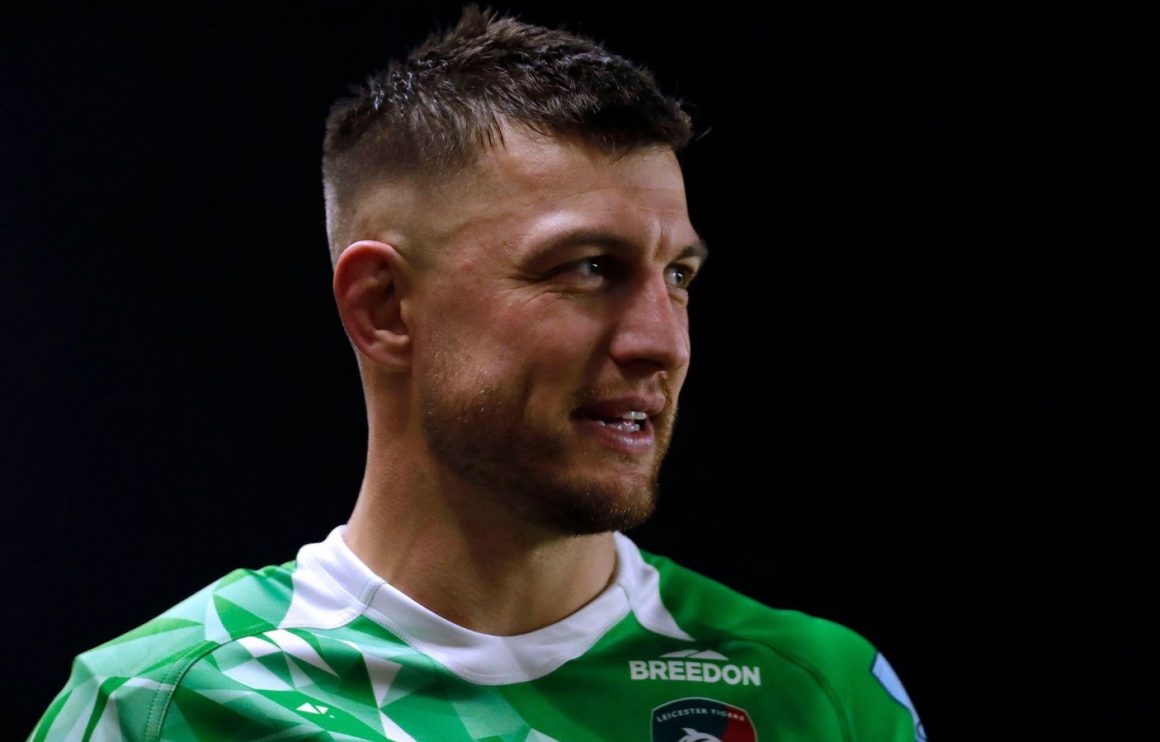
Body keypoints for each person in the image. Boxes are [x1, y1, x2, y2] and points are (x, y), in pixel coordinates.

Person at [29, 6, 925, 740]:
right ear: (385, 306)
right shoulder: (168, 706)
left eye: (678, 277)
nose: (663, 342)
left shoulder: (817, 695)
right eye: (588, 268)